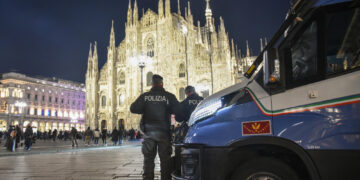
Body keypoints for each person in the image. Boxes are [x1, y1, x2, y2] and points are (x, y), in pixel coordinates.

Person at [130, 74, 180, 180]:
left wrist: (144, 108)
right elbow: (178, 110)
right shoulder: (169, 96)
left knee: (148, 160)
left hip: (149, 133)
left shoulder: (145, 96)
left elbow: (133, 108)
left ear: (152, 84)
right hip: (164, 133)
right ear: (162, 84)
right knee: (165, 160)